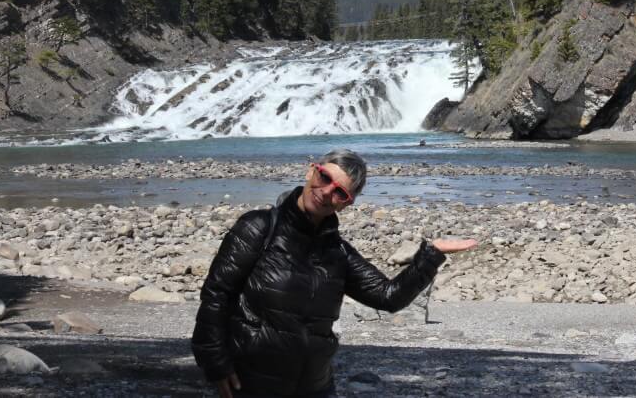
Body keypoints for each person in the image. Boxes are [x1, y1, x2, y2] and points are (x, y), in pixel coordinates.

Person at [191, 149, 477, 398]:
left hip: (315, 386)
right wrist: (215, 363)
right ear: (311, 171)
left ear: (346, 203)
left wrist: (431, 255)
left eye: (340, 191)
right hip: (252, 383)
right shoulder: (257, 228)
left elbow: (388, 296)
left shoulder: (338, 252)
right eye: (325, 177)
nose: (327, 191)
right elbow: (217, 295)